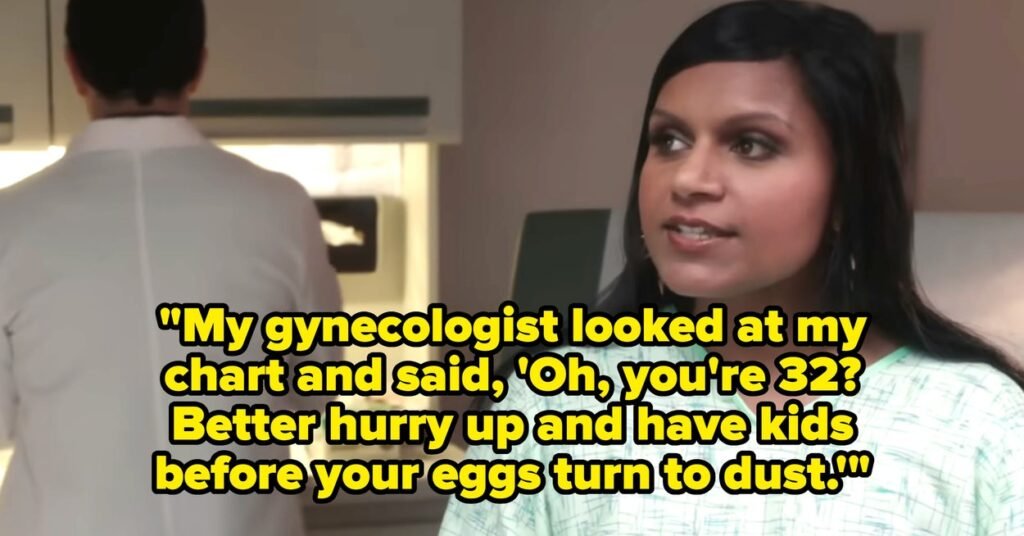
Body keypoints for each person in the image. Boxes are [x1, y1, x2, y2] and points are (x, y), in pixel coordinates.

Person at [440, 1, 1024, 534]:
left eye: (750, 145)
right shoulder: (552, 404)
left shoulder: (981, 425)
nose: (689, 179)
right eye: (670, 140)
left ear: (849, 192)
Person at [0, 1, 340, 535]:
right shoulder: (281, 208)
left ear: (73, 68)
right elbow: (313, 393)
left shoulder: (11, 222)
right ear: (199, 66)